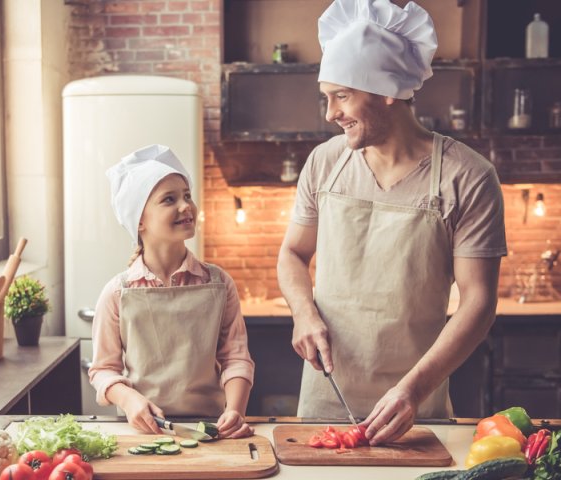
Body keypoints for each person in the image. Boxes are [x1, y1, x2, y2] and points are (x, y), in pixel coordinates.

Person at [277, 0, 507, 445]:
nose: (330, 113)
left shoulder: (468, 176)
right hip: (326, 400)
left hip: (416, 407)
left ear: (386, 90)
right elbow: (293, 253)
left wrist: (413, 390)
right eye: (326, 97)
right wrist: (303, 313)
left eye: (342, 96)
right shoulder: (324, 163)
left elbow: (478, 303)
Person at [89, 144, 256, 439]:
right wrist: (129, 400)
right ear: (139, 221)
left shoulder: (219, 283)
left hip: (212, 428)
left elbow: (236, 358)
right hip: (144, 432)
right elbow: (103, 370)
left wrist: (236, 410)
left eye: (186, 195)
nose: (186, 206)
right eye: (169, 199)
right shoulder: (117, 292)